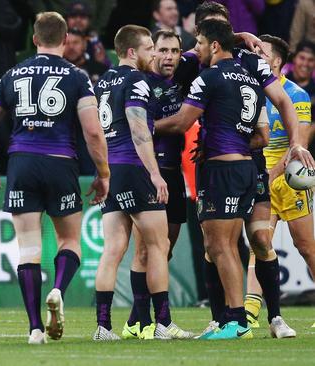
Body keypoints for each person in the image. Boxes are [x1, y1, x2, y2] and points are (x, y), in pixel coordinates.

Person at [0, 12, 110, 344]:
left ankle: (35, 328)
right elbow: (93, 131)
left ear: (34, 40)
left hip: (21, 162)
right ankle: (58, 291)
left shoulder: (12, 74)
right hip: (60, 162)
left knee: (29, 249)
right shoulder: (77, 76)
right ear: (66, 40)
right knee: (70, 242)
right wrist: (103, 173)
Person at [156, 19, 266, 340]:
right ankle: (234, 320)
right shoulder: (248, 77)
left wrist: (144, 126)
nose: (197, 49)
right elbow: (261, 134)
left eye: (200, 43)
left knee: (220, 246)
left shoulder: (209, 77)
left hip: (222, 171)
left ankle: (235, 321)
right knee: (225, 245)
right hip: (244, 167)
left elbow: (180, 122)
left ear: (215, 46)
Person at [92, 25, 191, 341]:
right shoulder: (136, 80)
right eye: (150, 48)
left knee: (113, 249)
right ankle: (163, 323)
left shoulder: (104, 81)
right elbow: (138, 130)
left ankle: (103, 327)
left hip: (112, 169)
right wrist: (154, 172)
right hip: (135, 168)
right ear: (132, 52)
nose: (155, 54)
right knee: (158, 246)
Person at [121, 30, 188, 340]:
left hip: (173, 173)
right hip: (148, 171)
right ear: (151, 52)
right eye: (162, 50)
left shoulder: (185, 74)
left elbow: (212, 47)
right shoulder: (140, 83)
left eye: (175, 50)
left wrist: (241, 36)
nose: (169, 56)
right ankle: (143, 321)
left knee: (165, 250)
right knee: (146, 251)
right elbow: (135, 126)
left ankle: (139, 321)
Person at [244, 35, 312, 334]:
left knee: (307, 247)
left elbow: (301, 140)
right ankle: (250, 313)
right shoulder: (252, 90)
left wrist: (275, 172)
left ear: (277, 61)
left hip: (288, 181)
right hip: (260, 176)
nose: (256, 54)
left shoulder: (296, 95)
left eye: (263, 52)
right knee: (260, 243)